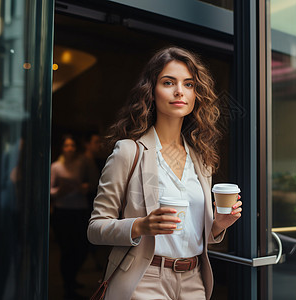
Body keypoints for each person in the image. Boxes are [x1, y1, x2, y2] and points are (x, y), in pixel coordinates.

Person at [88, 47, 243, 300]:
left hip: (194, 280)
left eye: (189, 84)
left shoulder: (201, 159)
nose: (179, 91)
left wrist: (217, 226)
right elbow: (96, 228)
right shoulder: (128, 152)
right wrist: (141, 225)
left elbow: (192, 231)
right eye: (168, 82)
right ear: (151, 91)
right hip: (144, 279)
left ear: (196, 95)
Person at [50, 134, 97, 299]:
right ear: (62, 148)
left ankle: (72, 277)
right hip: (62, 211)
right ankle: (68, 286)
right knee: (66, 250)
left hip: (79, 210)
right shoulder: (56, 166)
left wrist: (85, 187)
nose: (69, 148)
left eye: (72, 145)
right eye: (66, 145)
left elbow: (92, 183)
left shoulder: (81, 163)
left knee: (81, 248)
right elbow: (50, 190)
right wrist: (59, 192)